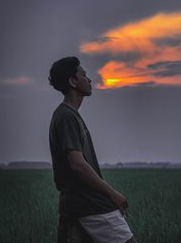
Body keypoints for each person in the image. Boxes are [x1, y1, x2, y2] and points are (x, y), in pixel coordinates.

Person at [48, 56, 137, 243]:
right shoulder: (66, 117)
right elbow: (78, 165)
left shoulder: (69, 115)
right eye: (84, 75)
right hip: (91, 205)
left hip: (77, 206)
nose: (89, 80)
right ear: (73, 81)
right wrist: (112, 194)